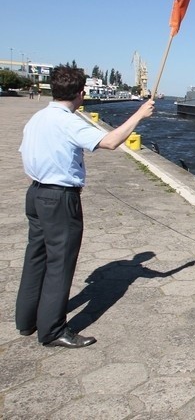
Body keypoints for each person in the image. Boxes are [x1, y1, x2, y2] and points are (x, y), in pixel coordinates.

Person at [16, 65, 155, 348]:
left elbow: (24, 156)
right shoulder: (69, 121)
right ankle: (53, 331)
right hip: (60, 199)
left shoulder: (37, 119)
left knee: (36, 259)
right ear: (81, 94)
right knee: (59, 265)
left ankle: (26, 321)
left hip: (36, 194)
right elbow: (111, 141)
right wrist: (139, 114)